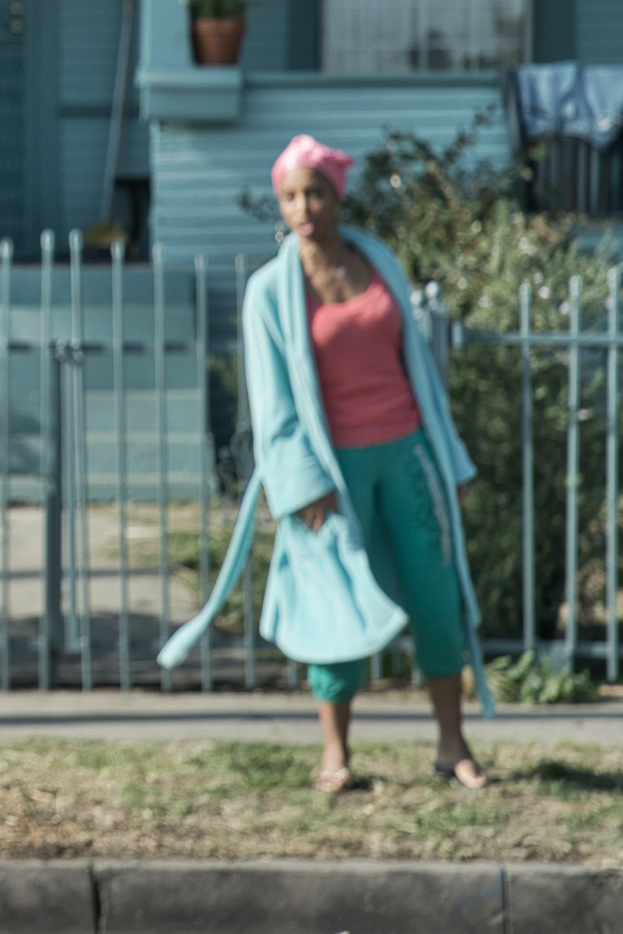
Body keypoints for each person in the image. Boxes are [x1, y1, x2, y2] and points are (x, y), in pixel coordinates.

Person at [159, 134, 492, 795]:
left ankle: (452, 744)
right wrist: (301, 483)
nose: (302, 207)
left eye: (314, 192)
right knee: (334, 600)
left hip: (408, 454)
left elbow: (418, 369)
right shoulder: (268, 292)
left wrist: (447, 458)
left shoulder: (379, 262)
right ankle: (336, 753)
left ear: (337, 196)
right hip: (330, 476)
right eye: (289, 196)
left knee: (436, 594)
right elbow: (271, 401)